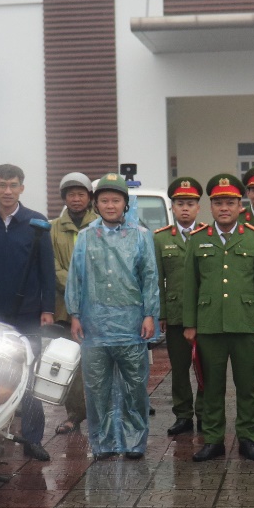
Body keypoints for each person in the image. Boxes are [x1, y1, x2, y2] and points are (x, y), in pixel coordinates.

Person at [66, 174, 161, 459]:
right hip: (94, 326)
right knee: (97, 389)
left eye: (115, 200)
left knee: (135, 387)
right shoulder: (85, 237)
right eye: (104, 200)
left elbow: (149, 277)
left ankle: (133, 443)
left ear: (125, 204)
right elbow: (75, 279)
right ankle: (104, 443)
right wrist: (74, 314)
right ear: (96, 204)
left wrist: (149, 314)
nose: (110, 205)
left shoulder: (141, 236)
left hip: (131, 325)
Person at [181, 174, 254, 462]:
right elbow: (190, 284)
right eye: (219, 203)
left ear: (239, 206)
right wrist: (190, 323)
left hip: (244, 323)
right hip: (210, 325)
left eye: (230, 203)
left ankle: (247, 438)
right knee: (211, 387)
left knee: (247, 387)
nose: (225, 208)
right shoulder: (198, 240)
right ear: (211, 207)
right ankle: (213, 439)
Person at [0, 163, 55, 462]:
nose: (7, 191)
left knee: (29, 377)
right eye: (2, 185)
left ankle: (32, 438)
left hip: (28, 314)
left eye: (13, 185)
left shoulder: (37, 223)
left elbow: (47, 271)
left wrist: (48, 309)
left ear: (22, 188)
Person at [152, 177, 206, 437]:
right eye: (180, 203)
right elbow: (158, 280)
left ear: (198, 207)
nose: (185, 209)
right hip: (175, 315)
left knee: (206, 368)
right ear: (172, 207)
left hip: (206, 315)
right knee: (180, 369)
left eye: (190, 203)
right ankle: (183, 414)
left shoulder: (207, 235)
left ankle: (206, 413)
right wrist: (161, 313)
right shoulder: (162, 239)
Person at [51, 173, 96, 436]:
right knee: (70, 363)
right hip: (66, 307)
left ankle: (102, 414)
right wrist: (75, 286)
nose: (76, 199)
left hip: (98, 305)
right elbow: (53, 265)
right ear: (64, 198)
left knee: (98, 362)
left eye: (81, 194)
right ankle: (74, 415)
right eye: (71, 194)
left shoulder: (101, 223)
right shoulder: (54, 228)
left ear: (89, 197)